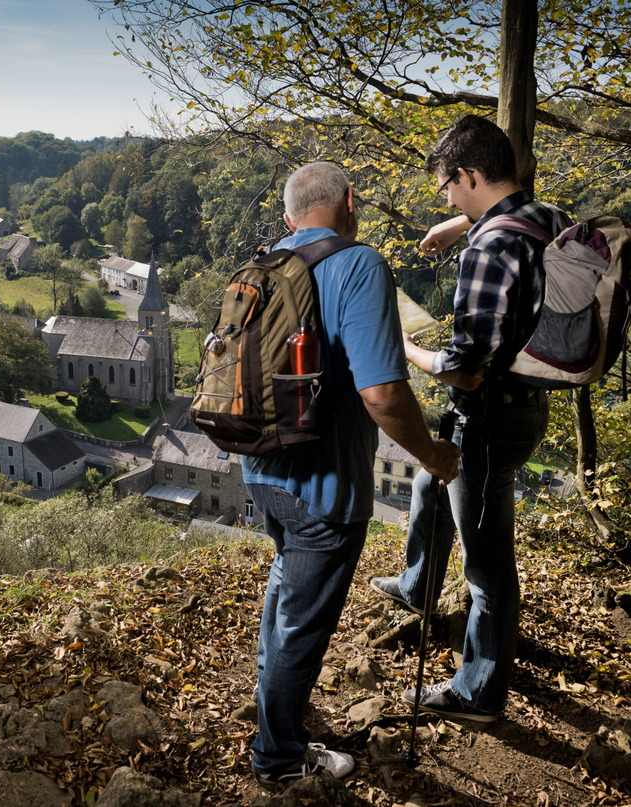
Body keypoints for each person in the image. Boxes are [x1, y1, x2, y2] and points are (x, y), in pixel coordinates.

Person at [245, 162, 461, 788]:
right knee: (302, 628)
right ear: (348, 202)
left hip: (260, 470)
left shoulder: (265, 266)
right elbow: (385, 395)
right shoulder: (359, 264)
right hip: (325, 487)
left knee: (285, 600)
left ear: (288, 219)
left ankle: (276, 714)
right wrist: (434, 456)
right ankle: (279, 758)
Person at [370, 115, 569, 723]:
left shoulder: (489, 249)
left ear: (470, 174)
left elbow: (464, 369)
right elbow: (512, 220)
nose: (446, 197)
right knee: (433, 478)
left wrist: (404, 346)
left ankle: (478, 692)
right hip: (520, 408)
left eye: (448, 187)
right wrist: (456, 223)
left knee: (487, 567)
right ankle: (417, 585)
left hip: (488, 416)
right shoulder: (551, 220)